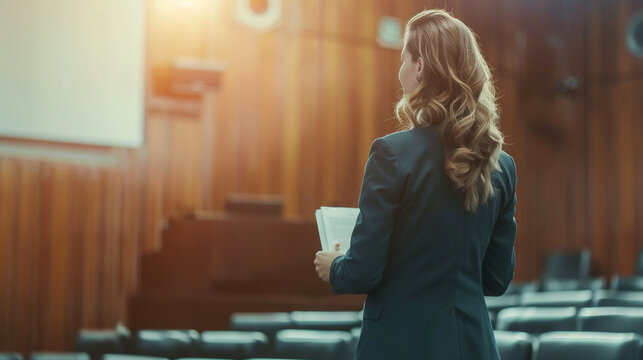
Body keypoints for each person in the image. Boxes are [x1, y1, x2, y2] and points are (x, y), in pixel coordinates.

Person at [313, 9, 517, 360]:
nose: (401, 70)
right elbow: (497, 280)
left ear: (420, 66)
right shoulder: (502, 166)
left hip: (402, 346)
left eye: (404, 59)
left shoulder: (391, 154)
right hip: (474, 347)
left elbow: (363, 271)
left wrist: (333, 266)